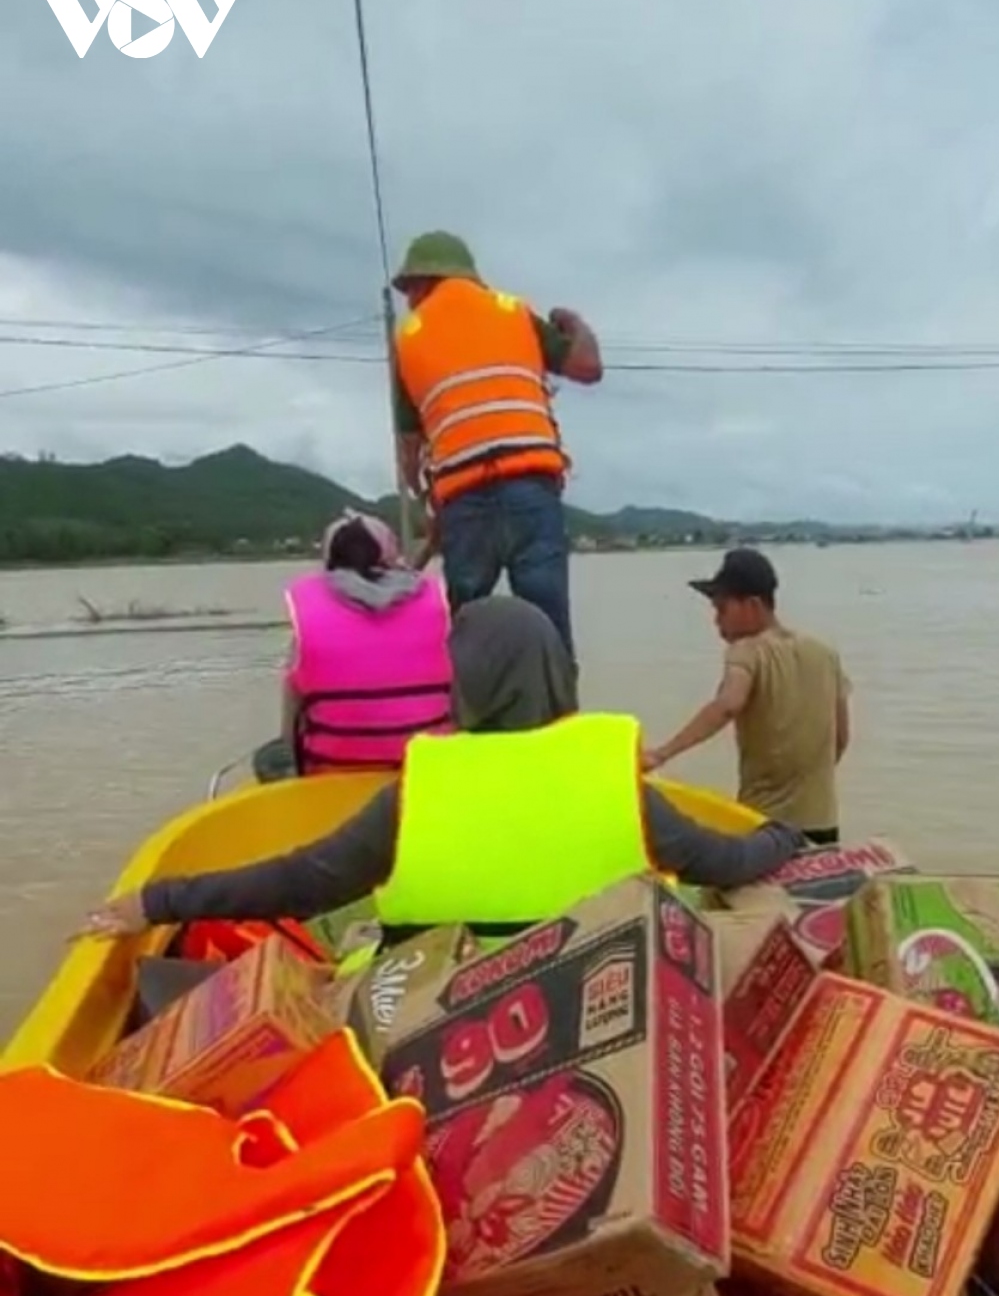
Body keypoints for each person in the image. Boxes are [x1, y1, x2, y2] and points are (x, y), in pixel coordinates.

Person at [82, 596, 805, 946]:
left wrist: (159, 900)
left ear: (463, 681)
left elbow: (300, 881)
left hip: (439, 1023)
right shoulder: (618, 783)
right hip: (592, 1005)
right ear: (557, 674)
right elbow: (729, 859)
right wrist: (785, 835)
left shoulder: (419, 789)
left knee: (357, 947)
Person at [391, 229, 602, 663]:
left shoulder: (408, 339)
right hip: (531, 489)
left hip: (463, 502)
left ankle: (475, 718)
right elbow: (587, 367)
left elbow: (410, 458)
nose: (409, 298)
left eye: (409, 287)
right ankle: (560, 718)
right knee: (549, 627)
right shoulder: (512, 311)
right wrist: (576, 325)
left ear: (422, 281)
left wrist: (431, 509)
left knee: (470, 630)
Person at [643, 547, 851, 844]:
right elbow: (841, 738)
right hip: (823, 824)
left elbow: (728, 704)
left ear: (753, 605)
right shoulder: (826, 654)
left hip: (763, 827)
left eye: (722, 610)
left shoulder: (746, 651)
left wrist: (661, 753)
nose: (717, 623)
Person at [262, 510, 453, 778]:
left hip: (333, 778)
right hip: (429, 775)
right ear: (390, 553)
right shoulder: (439, 603)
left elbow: (291, 725)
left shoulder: (309, 611)